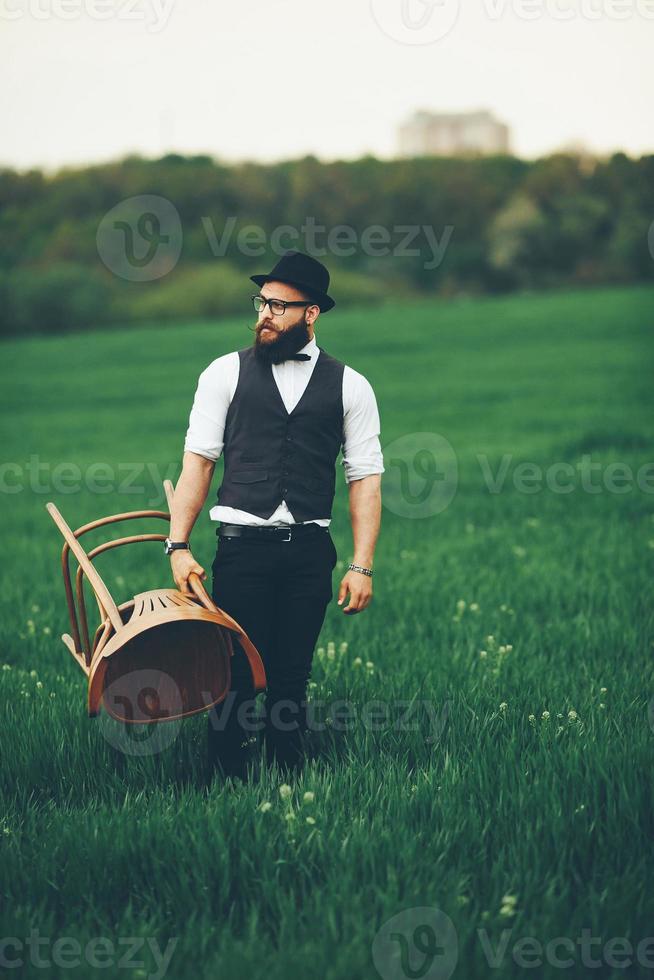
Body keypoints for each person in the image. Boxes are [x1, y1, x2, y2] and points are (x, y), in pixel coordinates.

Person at [167, 250, 384, 781]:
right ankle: (225, 782)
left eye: (280, 306)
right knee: (235, 672)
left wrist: (361, 564)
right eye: (262, 301)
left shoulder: (351, 385)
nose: (265, 313)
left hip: (310, 552)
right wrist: (178, 545)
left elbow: (365, 477)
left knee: (291, 676)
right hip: (242, 548)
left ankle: (289, 779)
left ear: (312, 313)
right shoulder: (223, 373)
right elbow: (197, 464)